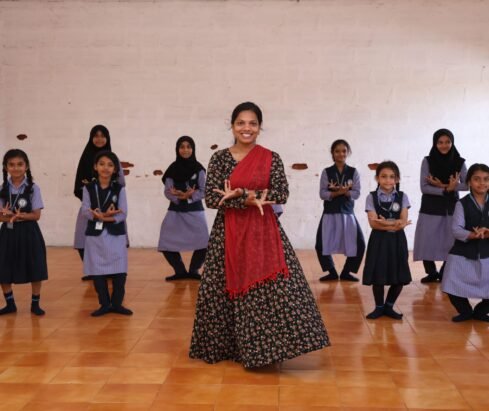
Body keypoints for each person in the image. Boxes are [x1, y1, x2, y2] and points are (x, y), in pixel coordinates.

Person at [189, 102, 329, 368]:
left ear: (260, 127)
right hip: (227, 235)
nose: (247, 128)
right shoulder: (219, 158)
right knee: (221, 290)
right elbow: (212, 199)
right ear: (232, 126)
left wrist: (243, 194)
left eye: (252, 123)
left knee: (274, 290)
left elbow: (281, 193)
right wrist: (245, 200)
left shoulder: (270, 157)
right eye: (241, 123)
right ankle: (230, 348)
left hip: (263, 232)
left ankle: (265, 350)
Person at [82, 150, 132, 317]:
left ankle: (117, 304)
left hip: (115, 234)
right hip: (95, 236)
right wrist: (99, 216)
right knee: (97, 270)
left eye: (110, 165)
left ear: (115, 169)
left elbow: (123, 213)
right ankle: (104, 304)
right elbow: (85, 211)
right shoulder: (88, 188)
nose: (106, 168)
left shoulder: (120, 189)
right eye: (102, 164)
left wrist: (104, 218)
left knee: (120, 269)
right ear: (95, 167)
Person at [413, 129, 467, 283]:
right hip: (430, 207)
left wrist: (443, 186)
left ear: (452, 142)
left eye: (447, 142)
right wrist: (446, 189)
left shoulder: (460, 162)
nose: (444, 145)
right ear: (435, 143)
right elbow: (424, 187)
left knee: (450, 241)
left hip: (451, 207)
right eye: (440, 142)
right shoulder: (427, 161)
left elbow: (467, 185)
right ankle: (431, 272)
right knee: (426, 240)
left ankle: (444, 272)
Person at [73, 125, 126, 280]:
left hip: (111, 208)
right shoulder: (85, 159)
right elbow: (79, 185)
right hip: (90, 209)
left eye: (103, 136)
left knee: (111, 239)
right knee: (83, 240)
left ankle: (110, 270)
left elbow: (121, 183)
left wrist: (108, 196)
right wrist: (92, 199)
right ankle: (93, 270)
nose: (99, 139)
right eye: (96, 136)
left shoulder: (113, 159)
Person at [0, 149, 47, 315]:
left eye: (20, 164)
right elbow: (0, 217)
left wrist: (19, 216)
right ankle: (10, 304)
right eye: (11, 165)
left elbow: (36, 215)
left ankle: (35, 304)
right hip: (8, 233)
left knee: (35, 266)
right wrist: (8, 217)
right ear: (5, 167)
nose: (16, 168)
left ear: (26, 166)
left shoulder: (33, 188)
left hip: (29, 232)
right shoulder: (2, 189)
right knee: (3, 267)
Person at [363, 161, 412, 320]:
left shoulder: (403, 197)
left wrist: (385, 223)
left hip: (398, 241)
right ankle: (379, 307)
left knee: (399, 275)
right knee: (378, 275)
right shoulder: (371, 197)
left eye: (392, 177)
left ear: (397, 179)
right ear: (377, 178)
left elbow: (403, 222)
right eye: (383, 176)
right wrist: (394, 224)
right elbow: (373, 224)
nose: (388, 180)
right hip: (379, 241)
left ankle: (389, 306)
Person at [441, 163, 489, 322]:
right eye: (477, 179)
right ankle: (465, 311)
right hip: (463, 252)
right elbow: (456, 230)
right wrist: (473, 235)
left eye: (486, 179)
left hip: (487, 252)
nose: (482, 183)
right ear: (469, 182)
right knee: (450, 283)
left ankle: (481, 311)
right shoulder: (461, 204)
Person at [158, 136, 208, 281]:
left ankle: (193, 270)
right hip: (175, 211)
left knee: (204, 243)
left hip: (195, 211)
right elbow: (168, 191)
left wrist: (190, 196)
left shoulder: (199, 169)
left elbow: (204, 190)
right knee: (165, 242)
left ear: (193, 149)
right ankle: (179, 271)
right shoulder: (172, 169)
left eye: (188, 147)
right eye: (182, 147)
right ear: (177, 149)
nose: (185, 150)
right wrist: (180, 197)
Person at [315, 139, 365, 282]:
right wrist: (339, 193)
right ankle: (331, 271)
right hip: (329, 213)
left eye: (344, 151)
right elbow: (322, 194)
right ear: (332, 153)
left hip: (347, 213)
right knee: (321, 244)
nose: (341, 154)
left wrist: (345, 192)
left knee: (360, 243)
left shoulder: (353, 172)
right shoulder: (327, 172)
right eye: (337, 151)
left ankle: (346, 272)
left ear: (348, 152)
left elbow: (356, 193)